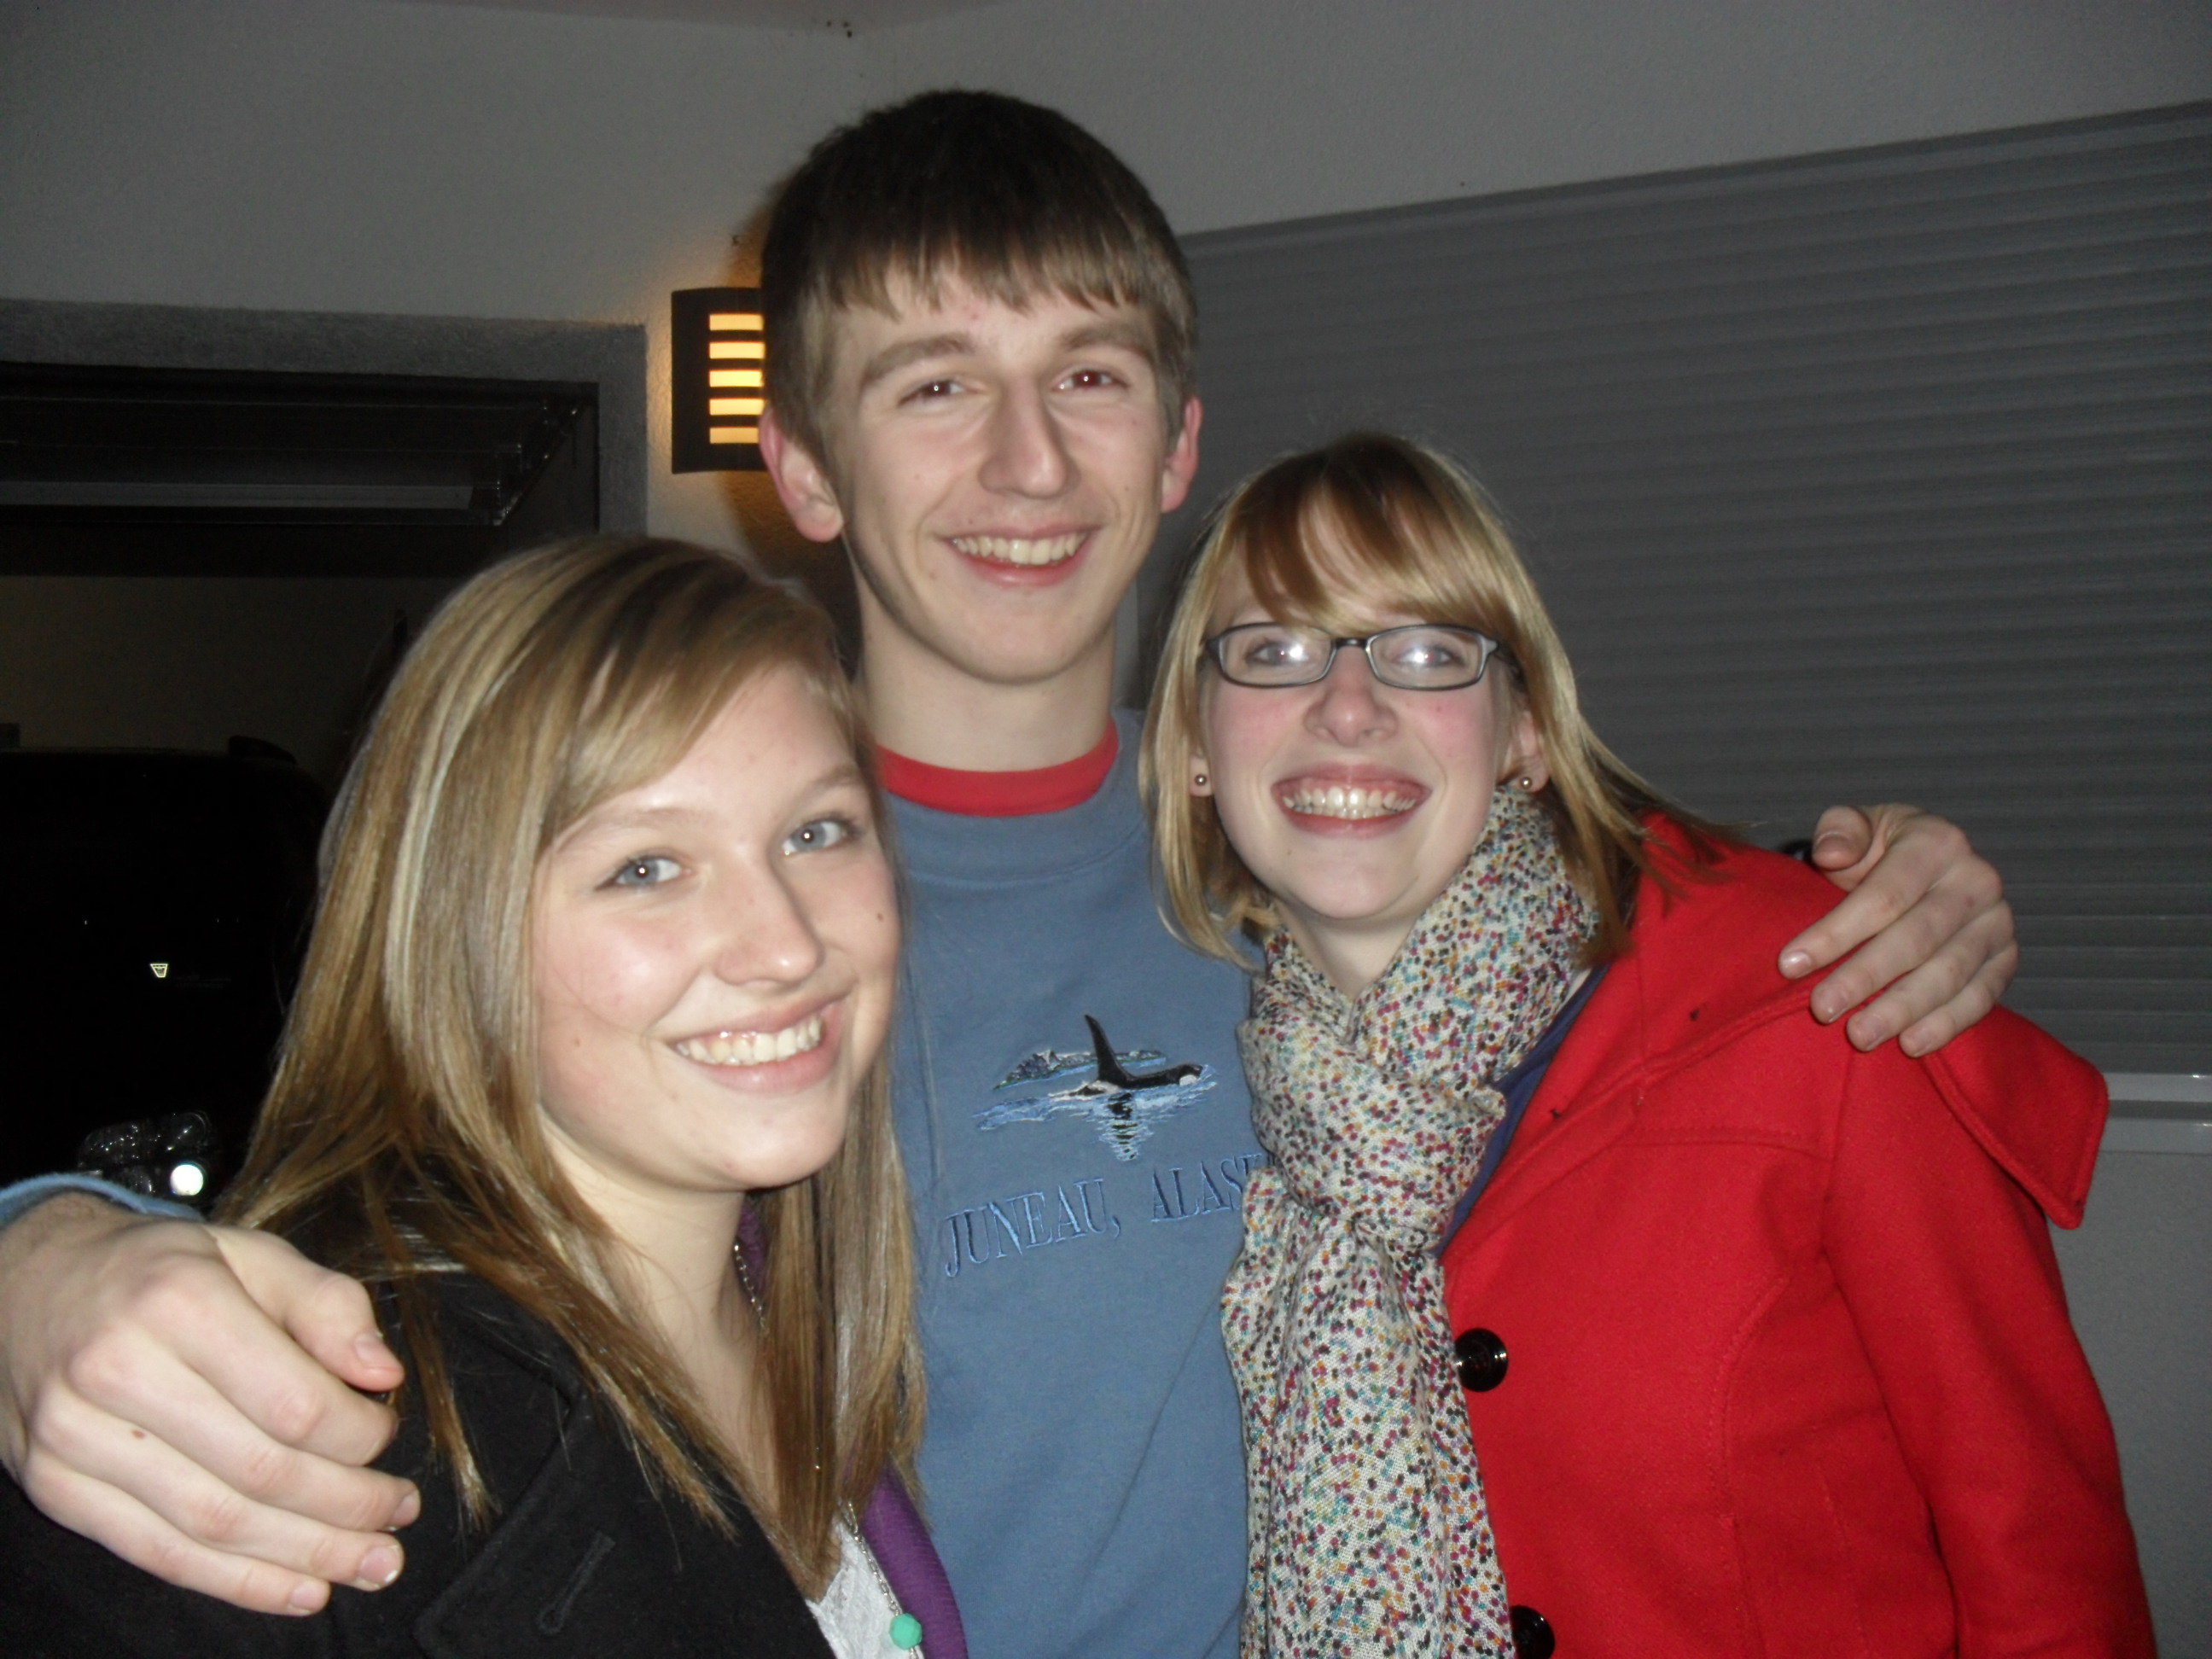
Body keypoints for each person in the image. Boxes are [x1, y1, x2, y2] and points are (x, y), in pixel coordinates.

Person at [0, 93, 2056, 1659]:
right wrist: (43, 1251)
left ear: (1175, 446)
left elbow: (1621, 904)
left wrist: (1882, 883)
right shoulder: (721, 949)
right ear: (800, 468)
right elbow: (387, 1172)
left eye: (1086, 376)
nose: (1026, 463)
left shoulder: (1309, 844)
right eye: (933, 386)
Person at [1143, 433, 2151, 1657]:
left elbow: (2042, 1561)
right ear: (1193, 744)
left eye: (1427, 651)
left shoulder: (1834, 998)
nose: (1347, 707)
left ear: (1524, 730)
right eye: (1273, 652)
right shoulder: (1217, 1053)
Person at [0, 536, 964, 1658]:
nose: (786, 946)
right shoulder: (294, 1439)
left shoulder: (783, 1285)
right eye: (646, 867)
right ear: (458, 936)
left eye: (815, 832)